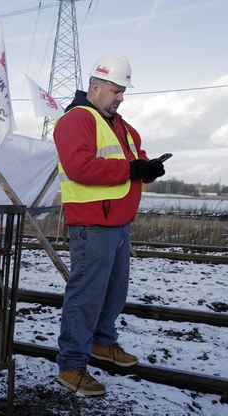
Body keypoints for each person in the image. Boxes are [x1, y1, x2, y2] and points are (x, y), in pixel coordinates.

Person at [53, 54, 166, 395]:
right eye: (116, 90)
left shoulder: (120, 124)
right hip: (92, 223)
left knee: (114, 292)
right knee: (86, 294)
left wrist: (150, 168)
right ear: (96, 86)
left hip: (119, 222)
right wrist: (133, 171)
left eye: (123, 91)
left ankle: (102, 342)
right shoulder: (77, 120)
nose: (121, 97)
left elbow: (137, 157)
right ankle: (71, 365)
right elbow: (80, 168)